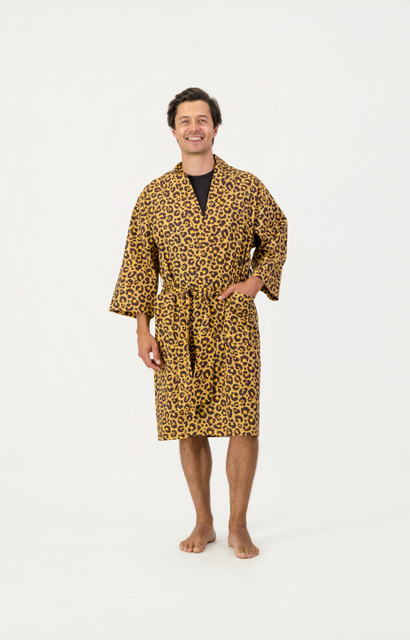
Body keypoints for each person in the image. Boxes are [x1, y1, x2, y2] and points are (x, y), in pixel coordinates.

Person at [109, 87, 288, 559]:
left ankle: (238, 525)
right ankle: (203, 521)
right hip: (176, 319)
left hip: (232, 317)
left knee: (242, 418)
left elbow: (277, 233)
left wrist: (255, 282)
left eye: (202, 120)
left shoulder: (246, 187)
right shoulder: (154, 195)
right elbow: (139, 264)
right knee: (188, 421)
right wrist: (143, 330)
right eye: (185, 121)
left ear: (215, 127)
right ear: (173, 131)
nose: (194, 128)